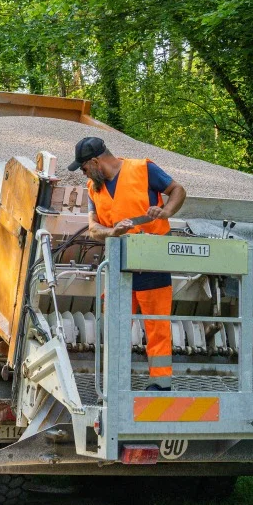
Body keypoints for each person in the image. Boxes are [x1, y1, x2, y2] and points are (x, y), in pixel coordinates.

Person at [71, 136, 187, 391]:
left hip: (152, 263)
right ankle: (117, 381)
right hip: (118, 266)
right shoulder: (94, 188)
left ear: (95, 161)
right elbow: (93, 228)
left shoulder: (143, 169)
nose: (83, 173)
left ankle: (161, 383)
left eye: (83, 167)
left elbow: (178, 190)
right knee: (115, 326)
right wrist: (112, 232)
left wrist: (166, 211)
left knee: (157, 326)